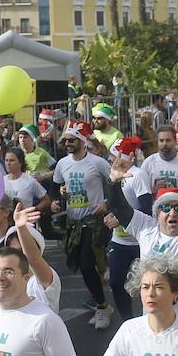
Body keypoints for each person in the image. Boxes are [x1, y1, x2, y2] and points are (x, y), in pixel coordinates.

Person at [108, 151, 178, 322]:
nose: (172, 212)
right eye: (166, 208)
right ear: (157, 213)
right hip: (154, 318)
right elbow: (119, 208)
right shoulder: (146, 227)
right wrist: (114, 183)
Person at [53, 121, 115, 328]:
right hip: (74, 221)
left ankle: (102, 307)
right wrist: (57, 197)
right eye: (65, 140)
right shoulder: (63, 164)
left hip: (93, 220)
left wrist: (106, 203)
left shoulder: (98, 163)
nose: (68, 143)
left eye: (72, 140)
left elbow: (116, 183)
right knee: (81, 264)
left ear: (82, 141)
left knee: (87, 264)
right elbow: (57, 185)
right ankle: (103, 269)